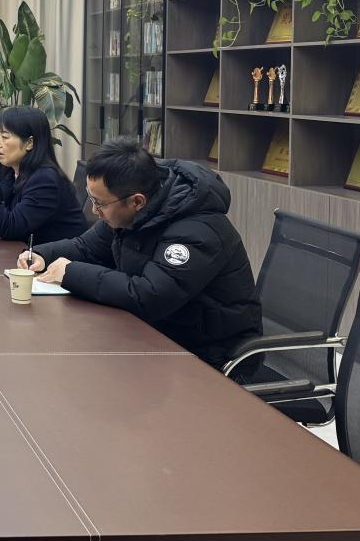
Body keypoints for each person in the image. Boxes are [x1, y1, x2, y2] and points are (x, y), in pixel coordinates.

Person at [18, 136, 261, 370]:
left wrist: (70, 272)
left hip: (210, 353)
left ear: (137, 201)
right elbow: (86, 247)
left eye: (100, 203)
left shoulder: (197, 231)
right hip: (156, 334)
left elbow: (150, 296)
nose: (94, 210)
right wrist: (41, 254)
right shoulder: (129, 210)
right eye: (92, 199)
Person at [0, 107, 88, 243]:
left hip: (57, 256)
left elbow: (11, 228)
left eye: (5, 137)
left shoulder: (45, 178)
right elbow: (13, 214)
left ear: (29, 143)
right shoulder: (15, 172)